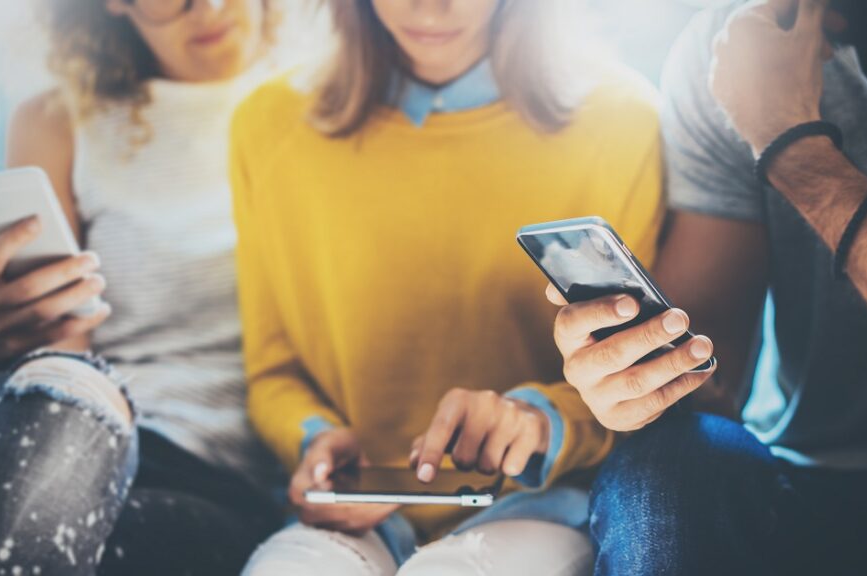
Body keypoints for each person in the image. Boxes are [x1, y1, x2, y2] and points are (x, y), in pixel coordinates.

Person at [544, 0, 867, 574]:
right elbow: (711, 382)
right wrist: (636, 381)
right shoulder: (731, 48)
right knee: (669, 467)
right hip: (805, 476)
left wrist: (791, 144)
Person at [229, 0, 674, 573]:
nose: (429, 8)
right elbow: (273, 369)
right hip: (355, 513)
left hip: (536, 507)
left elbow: (644, 371)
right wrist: (315, 437)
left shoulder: (622, 119)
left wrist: (538, 420)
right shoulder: (266, 126)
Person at [0, 0, 291, 573]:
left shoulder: (325, 105)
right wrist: (11, 348)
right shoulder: (58, 122)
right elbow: (62, 355)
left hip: (217, 481)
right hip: (72, 424)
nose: (212, 9)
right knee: (56, 401)